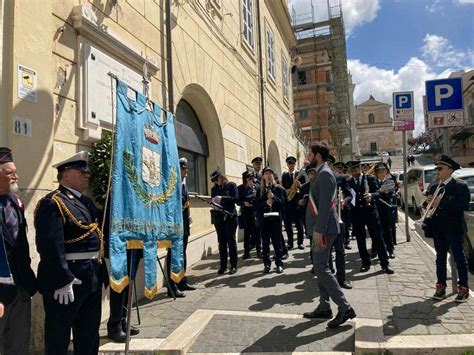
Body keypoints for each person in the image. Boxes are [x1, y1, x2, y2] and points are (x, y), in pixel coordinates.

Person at [35, 151, 106, 354]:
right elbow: (49, 246)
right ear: (65, 175)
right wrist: (62, 279)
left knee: (89, 335)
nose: (87, 175)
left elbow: (102, 226)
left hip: (91, 276)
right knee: (59, 337)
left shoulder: (86, 202)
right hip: (68, 280)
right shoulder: (53, 202)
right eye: (82, 171)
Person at [303, 144, 356, 328]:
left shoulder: (325, 173)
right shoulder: (320, 171)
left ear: (317, 156)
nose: (307, 155)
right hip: (322, 228)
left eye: (310, 153)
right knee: (321, 267)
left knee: (321, 267)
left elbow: (325, 205)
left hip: (323, 230)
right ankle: (324, 307)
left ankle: (345, 307)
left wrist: (319, 231)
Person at [0, 147, 37, 355]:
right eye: (9, 173)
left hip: (21, 286)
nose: (16, 176)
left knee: (19, 344)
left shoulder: (16, 202)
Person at [424, 155, 470, 302]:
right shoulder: (433, 186)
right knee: (440, 258)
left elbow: (462, 205)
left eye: (440, 168)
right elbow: (429, 207)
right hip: (438, 228)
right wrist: (427, 204)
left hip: (454, 228)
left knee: (459, 258)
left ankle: (463, 288)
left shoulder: (459, 186)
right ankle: (441, 286)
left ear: (450, 170)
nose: (437, 171)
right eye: (436, 168)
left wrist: (441, 203)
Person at [344, 160, 394, 274]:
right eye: (352, 171)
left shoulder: (370, 179)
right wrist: (345, 202)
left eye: (356, 170)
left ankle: (385, 264)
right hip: (357, 214)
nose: (354, 173)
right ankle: (365, 262)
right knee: (360, 240)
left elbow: (379, 192)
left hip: (371, 212)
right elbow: (348, 195)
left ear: (360, 169)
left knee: (377, 238)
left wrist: (371, 195)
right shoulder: (349, 181)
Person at [166, 158, 197, 297]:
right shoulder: (173, 185)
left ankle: (182, 281)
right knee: (173, 255)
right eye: (184, 168)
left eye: (186, 168)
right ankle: (171, 287)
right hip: (175, 227)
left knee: (182, 254)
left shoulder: (183, 185)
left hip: (183, 226)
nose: (186, 171)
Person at [256, 167, 286, 274]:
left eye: (270, 173)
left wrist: (274, 198)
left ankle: (279, 264)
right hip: (264, 221)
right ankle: (267, 264)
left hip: (275, 220)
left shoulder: (278, 188)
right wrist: (265, 203)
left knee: (277, 243)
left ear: (272, 176)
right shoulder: (260, 190)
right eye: (266, 173)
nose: (268, 175)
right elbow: (256, 205)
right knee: (265, 244)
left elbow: (283, 203)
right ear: (263, 176)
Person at [210, 169, 239, 275]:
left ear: (221, 177)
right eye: (214, 180)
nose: (215, 182)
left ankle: (234, 265)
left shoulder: (231, 185)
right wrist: (214, 205)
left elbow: (236, 198)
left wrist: (222, 198)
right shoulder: (214, 189)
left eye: (216, 179)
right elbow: (213, 200)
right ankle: (223, 265)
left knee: (231, 242)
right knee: (221, 243)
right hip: (219, 218)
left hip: (230, 217)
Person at [330, 161, 352, 289]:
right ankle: (329, 277)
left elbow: (349, 194)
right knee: (326, 253)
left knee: (340, 250)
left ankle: (341, 279)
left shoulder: (341, 178)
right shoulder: (319, 179)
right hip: (325, 220)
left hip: (338, 218)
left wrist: (344, 201)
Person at [281, 156, 305, 250]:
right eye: (289, 164)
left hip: (297, 202)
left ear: (295, 164)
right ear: (287, 165)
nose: (291, 165)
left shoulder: (300, 175)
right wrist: (285, 191)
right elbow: (283, 187)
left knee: (299, 224)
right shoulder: (284, 175)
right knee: (287, 225)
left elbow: (304, 187)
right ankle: (290, 243)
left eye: (293, 164)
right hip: (288, 202)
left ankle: (300, 242)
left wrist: (300, 185)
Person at [373, 162, 396, 259]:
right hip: (375, 209)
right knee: (375, 231)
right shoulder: (373, 182)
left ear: (386, 171)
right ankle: (375, 250)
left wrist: (375, 193)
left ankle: (390, 250)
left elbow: (387, 192)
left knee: (387, 231)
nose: (381, 173)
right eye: (379, 172)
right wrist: (378, 192)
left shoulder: (390, 181)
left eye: (383, 171)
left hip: (385, 209)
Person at [238, 170, 261, 259]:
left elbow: (259, 198)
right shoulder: (240, 188)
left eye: (252, 178)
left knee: (257, 231)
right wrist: (244, 203)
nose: (251, 180)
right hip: (246, 212)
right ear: (245, 179)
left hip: (255, 211)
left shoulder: (256, 186)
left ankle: (259, 250)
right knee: (247, 232)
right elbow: (237, 200)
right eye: (249, 178)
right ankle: (246, 252)